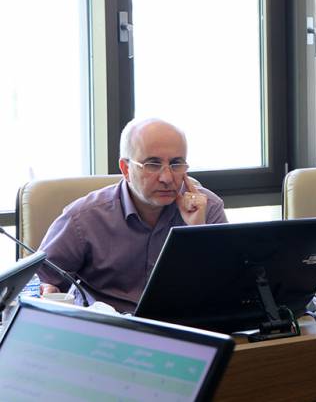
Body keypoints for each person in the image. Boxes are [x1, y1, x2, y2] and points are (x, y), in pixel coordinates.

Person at [38, 118, 227, 312]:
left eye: (176, 164)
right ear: (126, 169)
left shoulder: (207, 208)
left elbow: (226, 287)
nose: (167, 178)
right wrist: (49, 289)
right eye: (153, 164)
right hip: (109, 326)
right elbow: (42, 280)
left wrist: (198, 231)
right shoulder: (83, 219)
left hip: (184, 325)